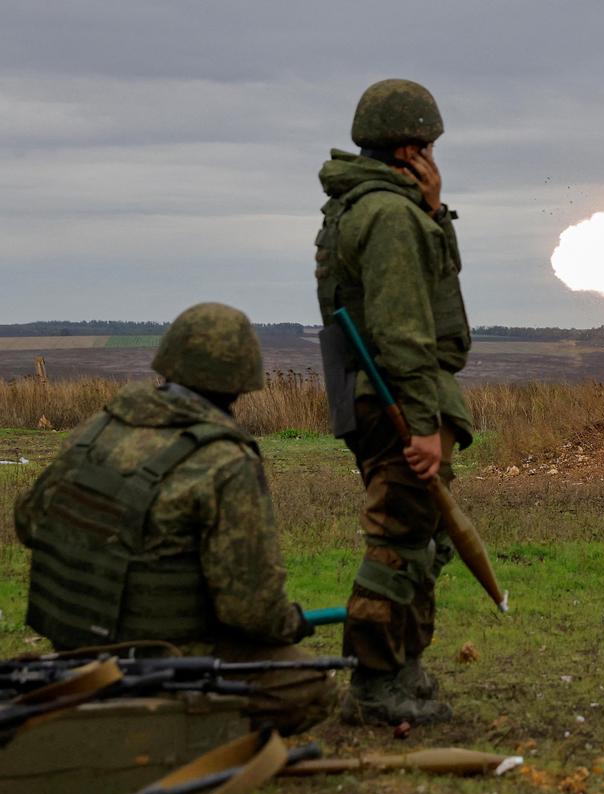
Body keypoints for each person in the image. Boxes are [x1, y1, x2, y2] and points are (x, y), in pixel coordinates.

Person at [13, 303, 335, 735]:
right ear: (244, 377)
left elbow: (28, 520)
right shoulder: (225, 460)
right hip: (159, 654)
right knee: (310, 686)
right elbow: (251, 610)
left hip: (74, 646)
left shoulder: (101, 427)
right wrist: (289, 623)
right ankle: (168, 723)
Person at [314, 79, 476, 726]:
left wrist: (436, 214)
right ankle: (377, 683)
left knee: (422, 537)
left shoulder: (381, 208)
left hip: (383, 398)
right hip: (394, 404)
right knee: (399, 542)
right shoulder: (385, 216)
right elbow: (403, 329)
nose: (435, 158)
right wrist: (424, 425)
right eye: (429, 147)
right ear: (410, 148)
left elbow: (429, 286)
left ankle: (402, 666)